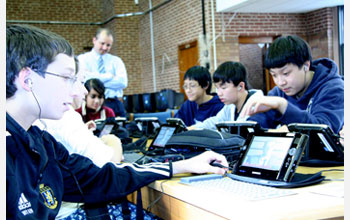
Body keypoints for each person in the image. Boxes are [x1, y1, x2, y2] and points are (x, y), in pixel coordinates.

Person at [6, 24, 228, 220]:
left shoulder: (39, 141)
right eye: (67, 78)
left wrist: (181, 165)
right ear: (27, 79)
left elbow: (98, 178)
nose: (79, 90)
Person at [33, 58, 124, 219]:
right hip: (72, 212)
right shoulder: (66, 116)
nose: (83, 91)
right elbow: (110, 165)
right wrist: (113, 140)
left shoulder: (36, 116)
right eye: (77, 81)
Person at [240, 35, 344, 133]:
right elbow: (260, 122)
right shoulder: (279, 92)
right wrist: (250, 124)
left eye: (286, 73)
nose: (280, 82)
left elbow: (324, 133)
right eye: (274, 75)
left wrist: (283, 106)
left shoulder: (333, 88)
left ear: (306, 66)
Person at [189, 61, 263, 130]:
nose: (219, 93)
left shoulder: (257, 107)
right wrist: (193, 128)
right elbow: (216, 122)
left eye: (223, 88)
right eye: (217, 88)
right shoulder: (230, 106)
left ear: (240, 86)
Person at [78, 28, 127, 117]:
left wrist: (94, 78)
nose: (105, 48)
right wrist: (108, 76)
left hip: (114, 103)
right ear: (94, 40)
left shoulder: (116, 61)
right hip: (92, 105)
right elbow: (84, 80)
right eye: (102, 43)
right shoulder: (82, 60)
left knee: (121, 129)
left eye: (108, 45)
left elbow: (122, 82)